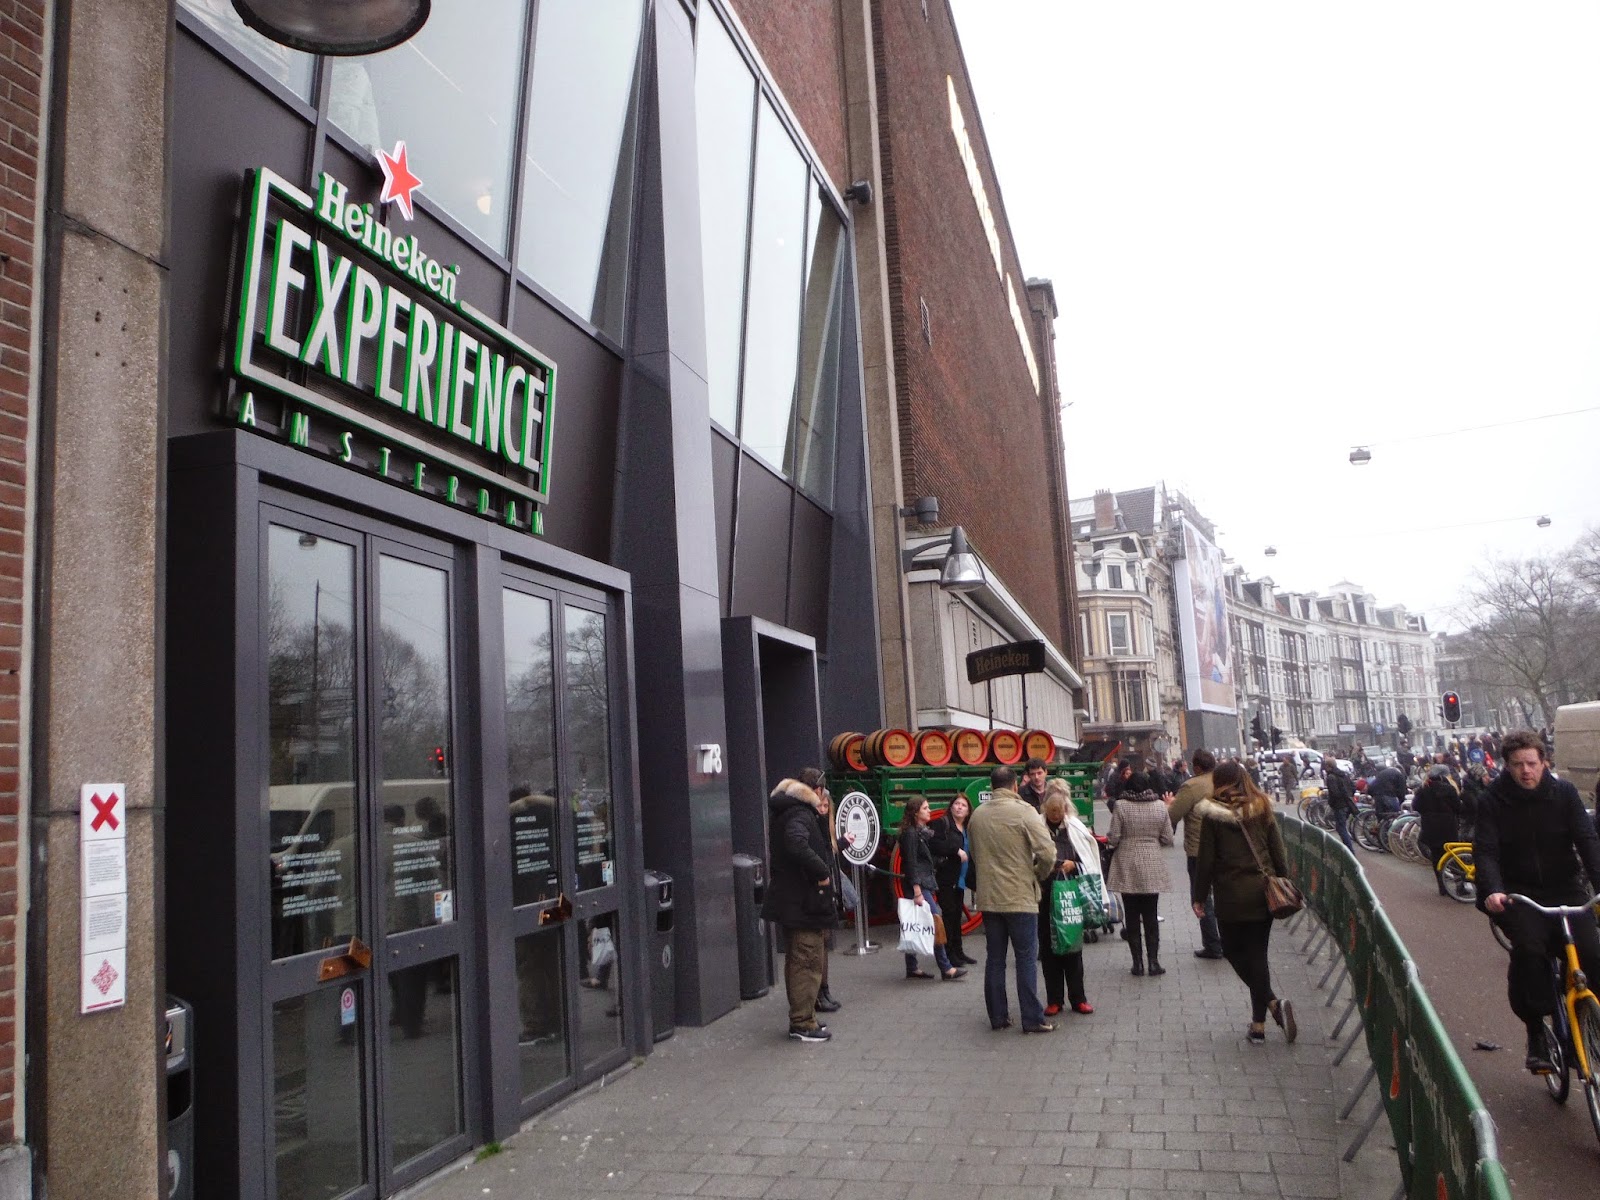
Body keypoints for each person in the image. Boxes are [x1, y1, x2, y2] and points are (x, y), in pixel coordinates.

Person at [1471, 730, 1600, 1074]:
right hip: (1518, 893)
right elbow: (1486, 851)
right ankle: (1536, 1032)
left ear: (1544, 762)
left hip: (1565, 887)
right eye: (1517, 765)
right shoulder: (1492, 800)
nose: (1525, 771)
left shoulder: (1564, 794)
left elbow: (1586, 840)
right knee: (1530, 951)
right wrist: (1493, 890)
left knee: (1591, 951)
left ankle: (1586, 1023)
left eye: (1531, 763)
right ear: (1507, 766)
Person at [1192, 761, 1297, 1045]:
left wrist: (1199, 896)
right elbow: (1277, 849)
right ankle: (1260, 1022)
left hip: (1230, 895)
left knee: (1232, 951)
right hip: (1263, 893)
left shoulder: (1213, 814)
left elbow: (1206, 860)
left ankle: (1269, 1010)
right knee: (1257, 955)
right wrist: (1283, 882)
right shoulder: (1262, 807)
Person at [967, 765, 1058, 1033]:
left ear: (991, 786)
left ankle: (998, 1016)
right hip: (1019, 895)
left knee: (995, 958)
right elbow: (1048, 853)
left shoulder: (977, 816)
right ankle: (1032, 1018)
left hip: (989, 897)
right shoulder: (1025, 812)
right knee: (1026, 958)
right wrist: (1038, 874)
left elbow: (974, 854)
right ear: (1015, 785)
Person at [760, 776, 838, 1042]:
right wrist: (822, 872)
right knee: (806, 960)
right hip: (804, 902)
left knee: (799, 959)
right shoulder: (800, 814)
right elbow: (796, 843)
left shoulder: (787, 812)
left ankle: (804, 1017)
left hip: (794, 900)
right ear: (816, 791)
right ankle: (803, 1022)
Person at [1105, 770, 1174, 976]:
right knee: (1151, 916)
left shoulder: (1121, 806)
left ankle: (1137, 964)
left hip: (1127, 863)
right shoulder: (1159, 806)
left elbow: (1114, 837)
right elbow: (1168, 838)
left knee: (1132, 915)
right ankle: (1153, 962)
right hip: (1152, 863)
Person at [1037, 786, 1094, 1015]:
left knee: (1072, 946)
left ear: (1065, 810)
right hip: (1045, 896)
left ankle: (1078, 998)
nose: (1055, 816)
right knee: (1048, 948)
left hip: (1070, 894)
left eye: (1058, 812)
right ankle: (1054, 999)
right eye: (1051, 811)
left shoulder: (1075, 828)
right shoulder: (1037, 827)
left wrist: (1074, 865)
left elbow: (1089, 858)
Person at [897, 796, 966, 981]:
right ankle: (946, 967)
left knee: (915, 922)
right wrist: (917, 890)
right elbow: (911, 863)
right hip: (918, 884)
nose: (929, 811)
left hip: (921, 882)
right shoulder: (912, 834)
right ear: (916, 812)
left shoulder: (918, 833)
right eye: (925, 808)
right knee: (935, 921)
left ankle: (912, 967)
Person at [1168, 749, 1225, 958]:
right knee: (1223, 896)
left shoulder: (1191, 786)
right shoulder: (1222, 782)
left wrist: (1168, 806)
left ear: (1197, 767)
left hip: (1198, 850)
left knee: (1202, 897)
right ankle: (1228, 942)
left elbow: (1173, 816)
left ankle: (1213, 945)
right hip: (1224, 848)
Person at [798, 767, 842, 1013]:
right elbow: (806, 851)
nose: (823, 808)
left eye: (826, 805)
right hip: (813, 891)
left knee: (823, 942)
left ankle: (823, 990)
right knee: (812, 947)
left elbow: (826, 851)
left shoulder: (820, 823)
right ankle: (815, 996)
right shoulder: (804, 819)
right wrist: (822, 875)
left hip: (823, 888)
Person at [928, 795, 976, 967]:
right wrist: (955, 849)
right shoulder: (942, 824)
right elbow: (933, 844)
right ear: (951, 807)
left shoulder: (967, 828)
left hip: (960, 878)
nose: (959, 807)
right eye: (956, 804)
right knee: (949, 914)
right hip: (946, 877)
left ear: (968, 811)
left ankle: (959, 951)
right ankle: (949, 954)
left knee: (956, 915)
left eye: (963, 805)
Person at [1412, 765, 1462, 897]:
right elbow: (1458, 807)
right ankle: (1459, 886)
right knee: (1453, 855)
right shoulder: (1449, 789)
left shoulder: (1423, 790)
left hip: (1430, 827)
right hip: (1448, 827)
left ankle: (1442, 886)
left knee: (1436, 857)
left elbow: (1415, 806)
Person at [1323, 757, 1359, 853]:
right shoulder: (1343, 774)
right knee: (1342, 826)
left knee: (1341, 828)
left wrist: (1331, 802)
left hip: (1339, 805)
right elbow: (1353, 787)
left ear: (1328, 766)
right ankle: (1348, 847)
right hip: (1348, 804)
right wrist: (1349, 795)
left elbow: (1334, 793)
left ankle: (1349, 850)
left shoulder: (1331, 777)